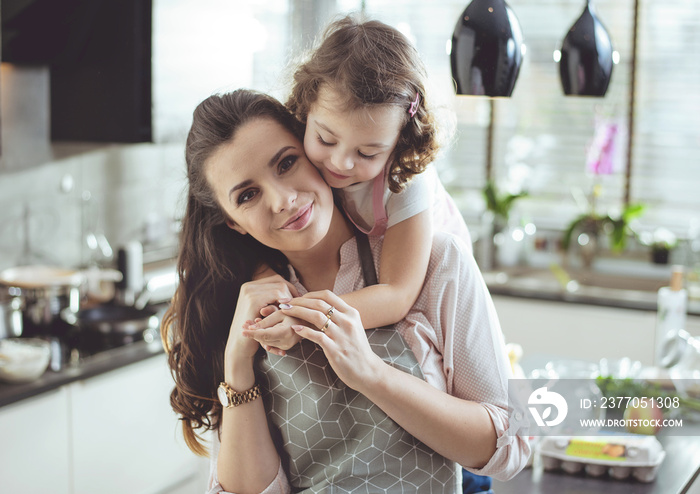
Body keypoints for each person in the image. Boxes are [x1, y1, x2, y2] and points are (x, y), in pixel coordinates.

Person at [161, 89, 530, 494]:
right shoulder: (235, 307)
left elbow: (512, 444)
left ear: (314, 152)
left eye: (287, 163)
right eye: (247, 195)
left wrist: (371, 374)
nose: (283, 200)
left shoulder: (436, 261)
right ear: (233, 223)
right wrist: (237, 365)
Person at [246, 16, 473, 356]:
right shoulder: (298, 156)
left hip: (440, 293)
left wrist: (302, 321)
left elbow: (396, 294)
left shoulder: (405, 179)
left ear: (399, 142)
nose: (340, 163)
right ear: (306, 110)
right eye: (325, 139)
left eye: (367, 152)